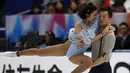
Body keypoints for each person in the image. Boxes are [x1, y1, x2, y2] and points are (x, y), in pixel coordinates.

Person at [0, 3, 114, 73]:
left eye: (97, 15)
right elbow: (84, 39)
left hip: (75, 55)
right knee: (39, 52)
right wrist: (98, 35)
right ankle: (17, 54)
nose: (96, 17)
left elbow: (111, 27)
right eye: (95, 15)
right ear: (87, 15)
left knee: (88, 62)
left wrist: (109, 27)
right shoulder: (79, 25)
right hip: (66, 48)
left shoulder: (96, 25)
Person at [88, 7, 116, 73]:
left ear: (109, 19)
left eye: (104, 16)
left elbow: (104, 58)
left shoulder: (110, 35)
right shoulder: (96, 31)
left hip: (103, 69)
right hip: (94, 67)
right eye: (100, 16)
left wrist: (89, 66)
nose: (101, 18)